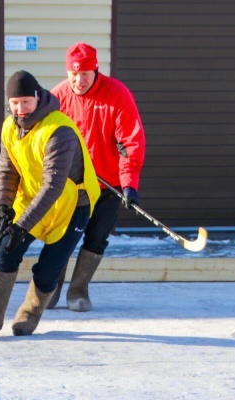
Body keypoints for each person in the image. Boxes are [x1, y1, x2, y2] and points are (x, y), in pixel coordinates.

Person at [0, 70, 100, 336]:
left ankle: (29, 315)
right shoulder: (9, 127)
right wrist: (2, 204)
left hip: (71, 205)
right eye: (15, 102)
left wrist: (22, 226)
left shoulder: (59, 131)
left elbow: (53, 186)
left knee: (49, 267)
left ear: (38, 97)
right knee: (6, 250)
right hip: (32, 198)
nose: (20, 108)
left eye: (26, 101)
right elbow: (7, 170)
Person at [48, 42, 146, 312]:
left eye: (85, 74)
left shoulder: (117, 95)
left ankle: (78, 290)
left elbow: (129, 142)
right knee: (61, 235)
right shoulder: (57, 98)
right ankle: (49, 289)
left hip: (107, 184)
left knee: (97, 237)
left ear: (96, 70)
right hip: (71, 185)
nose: (79, 81)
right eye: (74, 74)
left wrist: (129, 184)